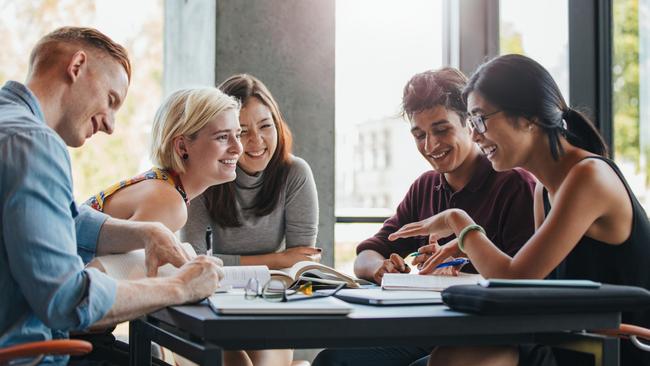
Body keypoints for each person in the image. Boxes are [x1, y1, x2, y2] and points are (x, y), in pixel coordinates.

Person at [389, 54, 650, 366]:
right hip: (574, 340)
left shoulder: (588, 177)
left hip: (618, 348)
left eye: (481, 119)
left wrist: (458, 222)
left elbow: (514, 279)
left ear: (528, 117)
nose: (474, 134)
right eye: (471, 122)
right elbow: (531, 287)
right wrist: (465, 245)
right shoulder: (545, 189)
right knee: (448, 357)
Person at [0, 27, 223, 366]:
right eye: (111, 100)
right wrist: (181, 286)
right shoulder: (34, 144)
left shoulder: (10, 127)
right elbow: (67, 300)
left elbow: (64, 218)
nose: (110, 125)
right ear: (77, 66)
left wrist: (146, 232)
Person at [312, 67, 536, 366]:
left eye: (442, 130)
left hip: (487, 336)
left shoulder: (514, 184)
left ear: (471, 124)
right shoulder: (426, 186)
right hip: (429, 330)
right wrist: (381, 269)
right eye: (419, 135)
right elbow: (367, 253)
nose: (430, 146)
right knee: (334, 361)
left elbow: (522, 283)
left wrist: (459, 273)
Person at [180, 74, 320, 366]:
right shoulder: (204, 175)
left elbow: (301, 265)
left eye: (266, 126)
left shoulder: (295, 173)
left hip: (268, 305)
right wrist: (277, 260)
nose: (256, 141)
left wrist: (280, 263)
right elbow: (193, 264)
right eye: (242, 131)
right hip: (210, 308)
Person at [86, 87, 242, 233]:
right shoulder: (168, 203)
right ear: (182, 147)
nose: (238, 148)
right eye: (222, 137)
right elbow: (108, 262)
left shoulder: (163, 186)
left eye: (238, 135)